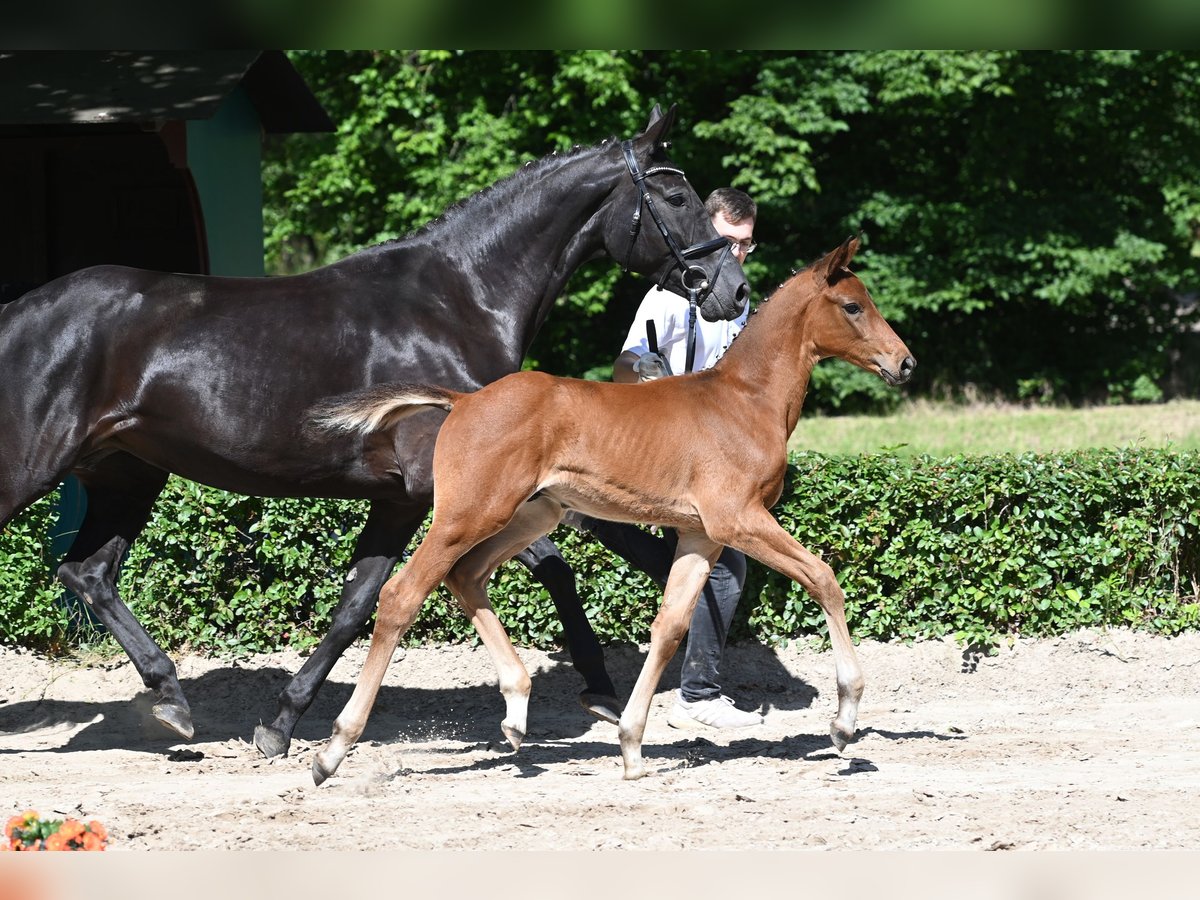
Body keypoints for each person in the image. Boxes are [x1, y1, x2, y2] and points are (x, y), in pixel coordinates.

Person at [565, 187, 763, 731]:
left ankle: (690, 687)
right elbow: (626, 367)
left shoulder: (737, 296)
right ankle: (697, 696)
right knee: (723, 569)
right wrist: (650, 376)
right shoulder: (670, 298)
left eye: (746, 245)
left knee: (714, 569)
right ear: (706, 233)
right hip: (665, 451)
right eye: (728, 243)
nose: (738, 256)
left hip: (710, 455)